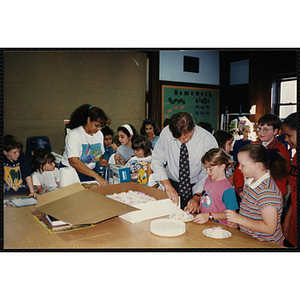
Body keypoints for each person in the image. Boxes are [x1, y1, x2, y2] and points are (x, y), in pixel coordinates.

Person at [151, 112, 218, 209]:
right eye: (177, 139)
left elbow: (209, 172)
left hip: (198, 185)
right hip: (172, 183)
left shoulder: (207, 140)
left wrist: (197, 196)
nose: (182, 141)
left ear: (193, 128)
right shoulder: (166, 133)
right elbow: (157, 160)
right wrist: (168, 186)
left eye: (186, 137)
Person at [225, 143, 289, 245]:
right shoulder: (250, 180)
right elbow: (251, 212)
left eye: (242, 165)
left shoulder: (267, 192)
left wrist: (240, 219)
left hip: (267, 244)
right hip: (250, 239)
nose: (239, 168)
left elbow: (269, 228)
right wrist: (238, 221)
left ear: (256, 165)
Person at [233, 113, 291, 200]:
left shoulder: (282, 151)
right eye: (259, 129)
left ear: (275, 131)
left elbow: (281, 178)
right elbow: (239, 169)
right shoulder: (252, 145)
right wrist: (240, 190)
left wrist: (273, 197)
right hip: (248, 193)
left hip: (269, 196)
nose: (261, 132)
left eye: (266, 130)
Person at [61, 104, 109, 185]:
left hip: (90, 172)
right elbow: (73, 162)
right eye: (96, 126)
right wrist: (96, 176)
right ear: (88, 120)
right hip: (72, 172)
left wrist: (100, 160)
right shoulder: (74, 135)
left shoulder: (99, 134)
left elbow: (100, 154)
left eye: (100, 127)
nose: (98, 129)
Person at [192, 148, 238, 226]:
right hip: (206, 223)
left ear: (222, 166)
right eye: (206, 168)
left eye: (210, 169)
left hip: (220, 227)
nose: (207, 171)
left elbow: (232, 214)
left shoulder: (227, 188)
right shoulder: (208, 179)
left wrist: (209, 216)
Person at [3, 135, 39, 199]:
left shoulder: (21, 156)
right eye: (14, 153)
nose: (18, 154)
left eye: (19, 151)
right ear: (5, 152)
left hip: (22, 192)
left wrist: (32, 191)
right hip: (6, 194)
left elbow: (27, 174)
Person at [281, 112, 297, 247]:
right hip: (293, 224)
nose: (286, 139)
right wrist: (287, 219)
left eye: (289, 135)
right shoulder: (296, 157)